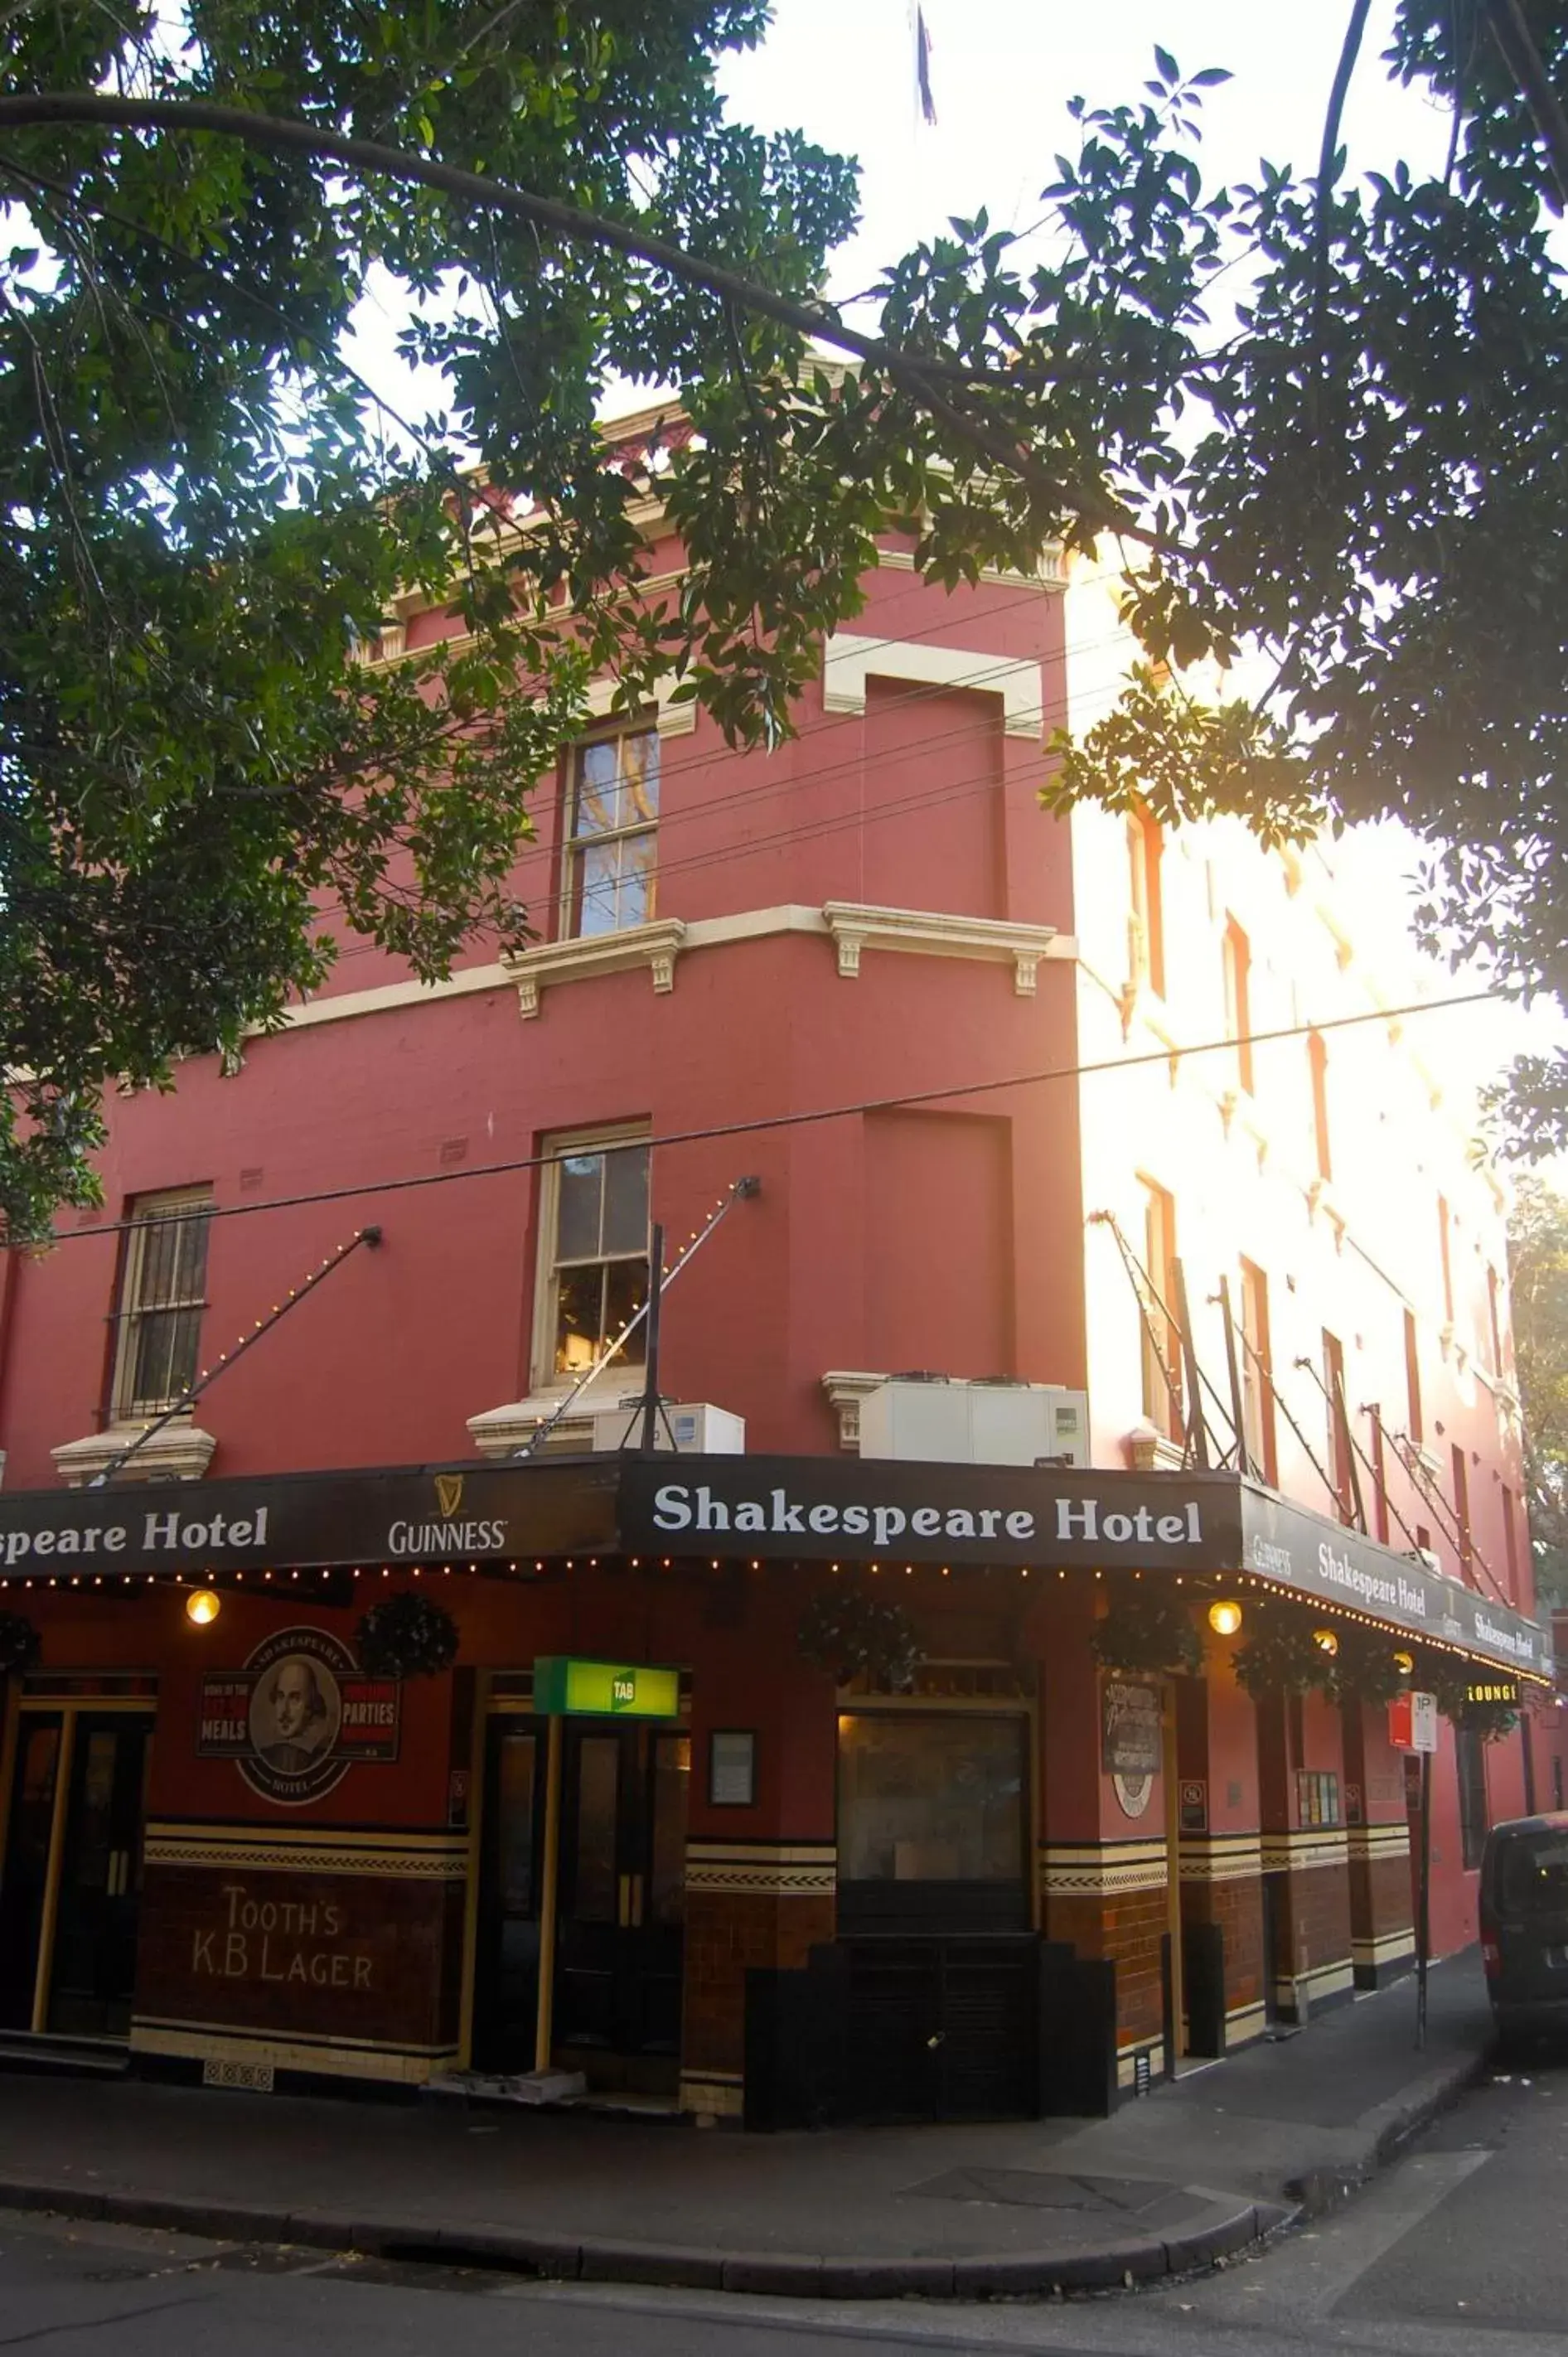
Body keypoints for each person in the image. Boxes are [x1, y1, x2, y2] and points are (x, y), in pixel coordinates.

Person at [258, 1658, 332, 1771]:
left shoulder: (321, 1755)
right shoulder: (265, 1756)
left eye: (295, 1698)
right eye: (280, 1696)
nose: (284, 1710)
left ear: (310, 1706)